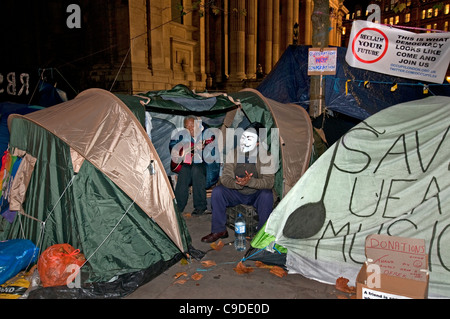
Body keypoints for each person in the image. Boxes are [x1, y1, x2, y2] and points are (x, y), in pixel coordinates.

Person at [201, 122, 275, 243]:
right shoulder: (233, 153)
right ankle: (219, 230)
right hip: (236, 191)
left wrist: (249, 182)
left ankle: (262, 235)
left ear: (257, 143)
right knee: (218, 192)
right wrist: (238, 183)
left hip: (256, 194)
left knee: (267, 195)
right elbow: (225, 177)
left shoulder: (266, 157)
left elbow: (269, 182)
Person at [170, 115, 211, 215]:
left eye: (192, 126)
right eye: (187, 127)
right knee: (184, 170)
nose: (190, 129)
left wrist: (204, 149)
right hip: (190, 163)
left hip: (206, 165)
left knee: (196, 169)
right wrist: (178, 150)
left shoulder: (207, 133)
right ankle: (178, 207)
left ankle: (200, 206)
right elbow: (173, 145)